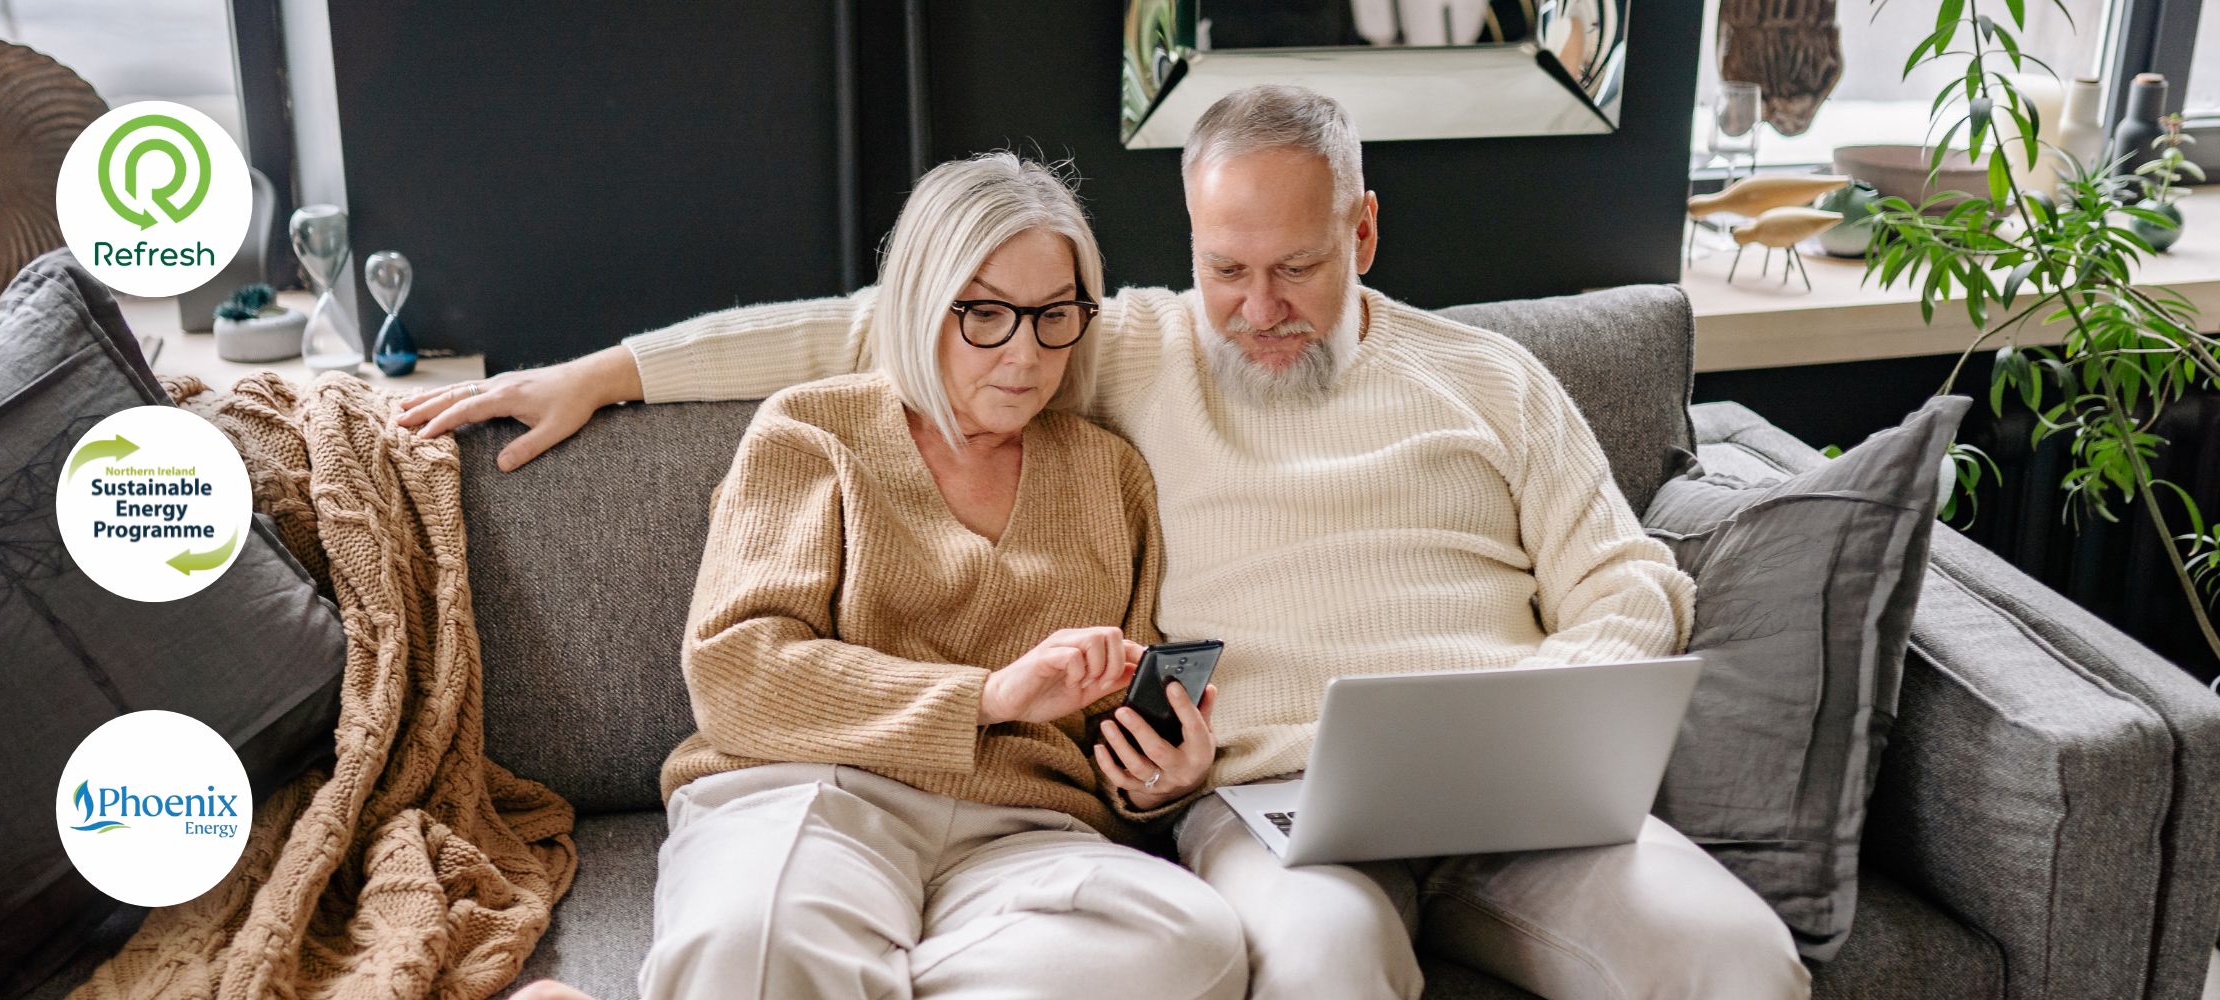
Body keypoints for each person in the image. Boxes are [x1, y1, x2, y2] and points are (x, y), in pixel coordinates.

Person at [410, 89, 1810, 999]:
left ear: (1365, 232)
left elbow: (1630, 576)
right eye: (1225, 269)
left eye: (1298, 267)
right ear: (1188, 247)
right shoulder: (1117, 345)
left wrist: (1539, 717)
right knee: (1315, 970)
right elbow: (884, 323)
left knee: (1744, 963)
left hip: (1518, 793)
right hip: (1276, 803)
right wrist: (611, 369)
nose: (1256, 309)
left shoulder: (1491, 380)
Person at [509, 153, 1247, 1000]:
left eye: (1055, 315)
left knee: (1196, 944)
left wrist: (1160, 777)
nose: (1024, 352)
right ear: (922, 304)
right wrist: (987, 697)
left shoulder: (1109, 476)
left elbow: (1118, 726)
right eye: (984, 314)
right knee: (751, 941)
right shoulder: (811, 432)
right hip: (813, 796)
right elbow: (736, 676)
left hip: (1028, 835)